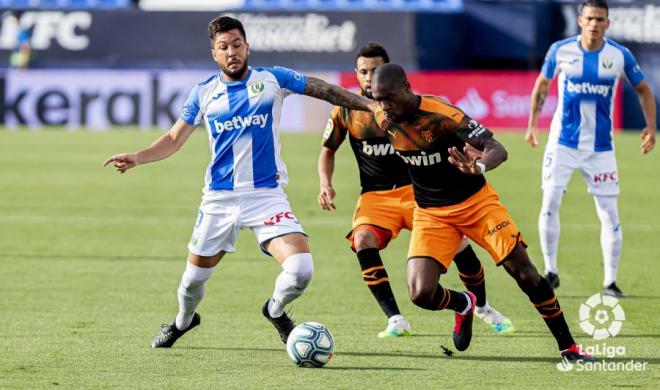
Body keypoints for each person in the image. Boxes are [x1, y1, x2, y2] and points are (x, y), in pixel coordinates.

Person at [103, 16, 377, 348]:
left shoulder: (272, 79)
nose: (231, 52)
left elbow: (326, 90)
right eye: (223, 47)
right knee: (191, 283)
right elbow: (174, 139)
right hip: (219, 200)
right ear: (214, 54)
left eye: (236, 44)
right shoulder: (204, 92)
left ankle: (275, 310)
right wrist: (138, 156)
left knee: (301, 269)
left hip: (266, 196)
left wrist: (369, 105)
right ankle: (182, 321)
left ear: (247, 46)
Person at [370, 63, 592, 361]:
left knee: (523, 273)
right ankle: (464, 304)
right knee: (420, 293)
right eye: (378, 98)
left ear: (407, 88)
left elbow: (496, 147)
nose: (384, 105)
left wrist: (479, 166)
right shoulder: (381, 113)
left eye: (389, 97)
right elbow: (334, 94)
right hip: (432, 214)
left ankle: (569, 347)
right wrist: (292, 80)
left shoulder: (442, 115)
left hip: (477, 204)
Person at [317, 42, 513, 338]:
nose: (368, 77)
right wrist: (325, 182)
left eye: (374, 71)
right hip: (376, 195)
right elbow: (328, 150)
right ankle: (395, 318)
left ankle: (483, 307)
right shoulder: (346, 110)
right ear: (355, 75)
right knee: (362, 239)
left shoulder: (409, 109)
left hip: (417, 192)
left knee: (460, 247)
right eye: (362, 72)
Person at [525, 0, 656, 298]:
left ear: (608, 23)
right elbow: (542, 85)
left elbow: (644, 90)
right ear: (580, 21)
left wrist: (650, 126)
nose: (595, 24)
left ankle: (610, 282)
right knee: (549, 203)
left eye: (600, 19)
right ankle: (551, 271)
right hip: (562, 144)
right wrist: (533, 123)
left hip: (600, 149)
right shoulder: (561, 50)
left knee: (610, 213)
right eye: (590, 18)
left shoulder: (619, 55)